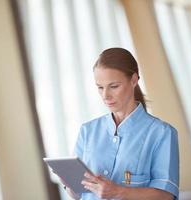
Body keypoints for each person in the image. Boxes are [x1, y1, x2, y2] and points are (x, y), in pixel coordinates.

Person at [64, 47, 179, 200]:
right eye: (100, 87)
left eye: (114, 86)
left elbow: (167, 195)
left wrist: (118, 191)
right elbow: (77, 194)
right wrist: (70, 185)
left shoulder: (162, 133)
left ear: (134, 80)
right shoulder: (87, 131)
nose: (105, 95)